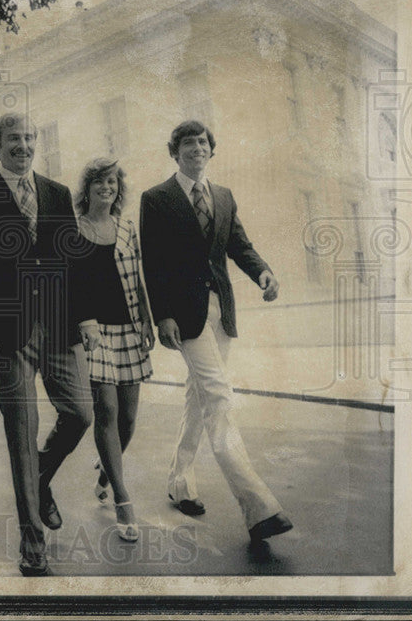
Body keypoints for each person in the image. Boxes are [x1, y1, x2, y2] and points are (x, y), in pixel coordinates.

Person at [139, 120, 293, 544]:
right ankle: (258, 506)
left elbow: (238, 244)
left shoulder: (222, 196)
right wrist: (162, 315)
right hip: (184, 319)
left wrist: (263, 272)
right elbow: (153, 263)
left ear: (211, 149)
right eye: (188, 144)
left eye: (203, 142)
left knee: (199, 396)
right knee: (220, 396)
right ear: (176, 152)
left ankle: (179, 481)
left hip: (219, 312)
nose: (197, 149)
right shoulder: (156, 199)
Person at [0, 112, 97, 577]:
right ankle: (32, 544)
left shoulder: (56, 193)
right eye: (14, 138)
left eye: (29, 138)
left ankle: (39, 479)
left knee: (81, 413)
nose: (23, 145)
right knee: (20, 436)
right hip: (8, 333)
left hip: (58, 327)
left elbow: (74, 260)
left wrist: (86, 316)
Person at [72, 158, 154, 543]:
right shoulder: (73, 228)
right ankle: (123, 500)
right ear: (86, 189)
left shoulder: (127, 228)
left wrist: (148, 323)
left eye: (112, 182)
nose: (106, 187)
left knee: (129, 420)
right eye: (99, 182)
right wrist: (80, 321)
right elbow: (69, 282)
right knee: (107, 411)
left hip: (129, 328)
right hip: (93, 332)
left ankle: (107, 470)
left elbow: (138, 279)